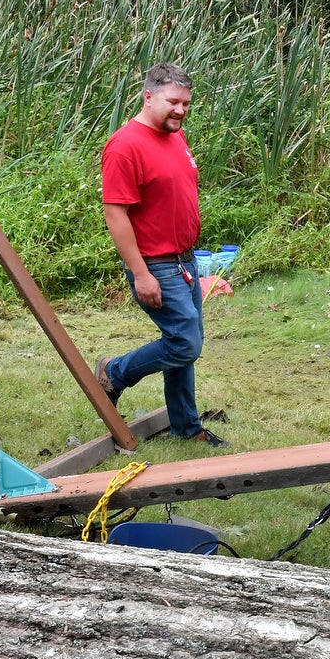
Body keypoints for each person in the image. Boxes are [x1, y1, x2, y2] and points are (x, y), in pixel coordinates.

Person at [95, 63, 226, 447]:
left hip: (185, 261)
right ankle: (114, 372)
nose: (181, 111)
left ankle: (187, 427)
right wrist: (140, 273)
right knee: (185, 343)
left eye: (186, 104)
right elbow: (115, 213)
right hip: (155, 265)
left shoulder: (176, 136)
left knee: (182, 345)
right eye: (173, 102)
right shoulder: (125, 145)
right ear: (148, 96)